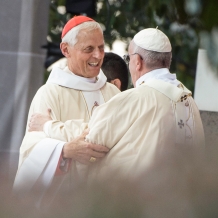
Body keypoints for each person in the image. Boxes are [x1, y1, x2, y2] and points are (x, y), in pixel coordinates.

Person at [26, 28, 205, 182]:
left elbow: (90, 140)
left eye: (128, 58)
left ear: (138, 62)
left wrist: (48, 126)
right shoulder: (189, 103)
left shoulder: (137, 98)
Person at [13, 16, 120, 194]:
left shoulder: (112, 93)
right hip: (67, 199)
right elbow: (31, 149)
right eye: (89, 49)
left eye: (101, 47)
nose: (98, 55)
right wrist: (64, 150)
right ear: (66, 50)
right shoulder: (49, 94)